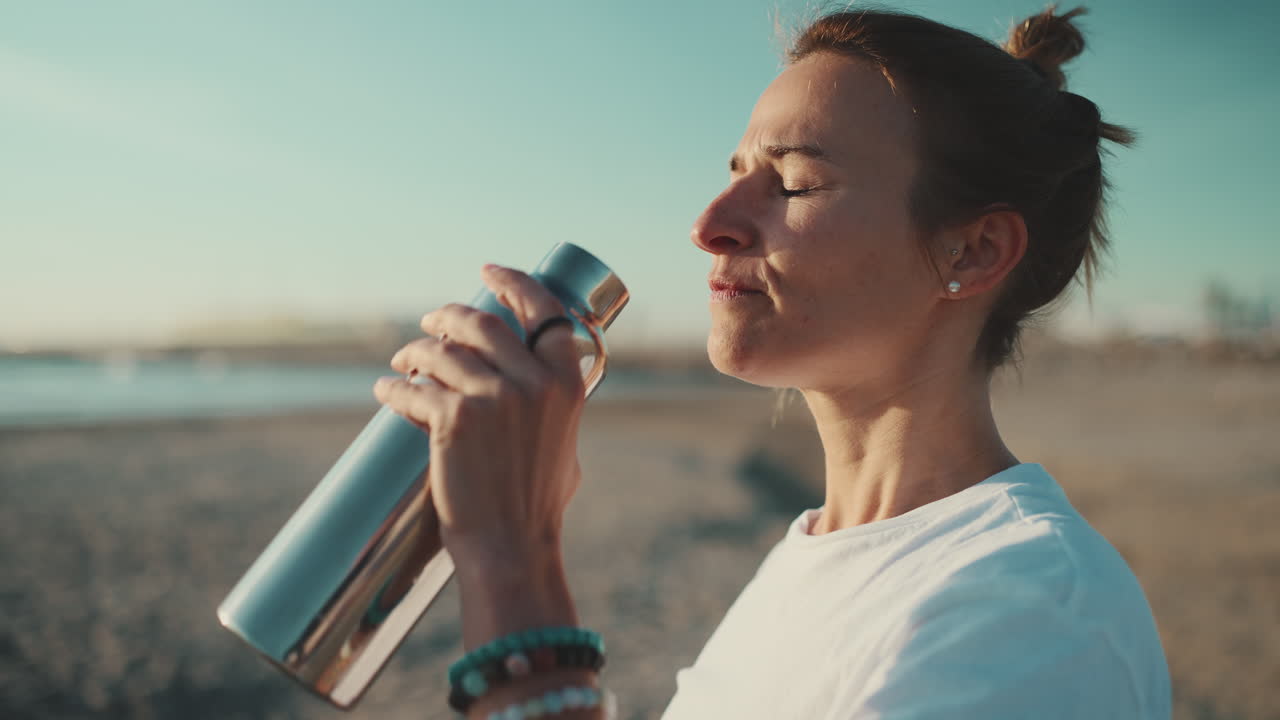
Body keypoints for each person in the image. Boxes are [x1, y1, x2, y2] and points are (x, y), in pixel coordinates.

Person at [372, 5, 1171, 719]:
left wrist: (516, 560)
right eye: (733, 175)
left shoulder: (1035, 615)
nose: (709, 224)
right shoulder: (819, 554)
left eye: (791, 183)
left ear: (975, 248)